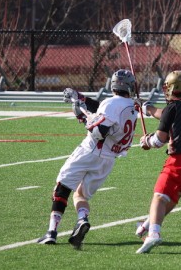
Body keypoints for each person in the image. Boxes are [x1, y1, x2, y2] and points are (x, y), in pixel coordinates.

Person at [37, 69, 138, 248]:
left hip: (90, 151)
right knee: (81, 194)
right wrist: (81, 99)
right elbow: (103, 110)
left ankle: (51, 232)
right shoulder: (130, 107)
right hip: (108, 159)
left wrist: (82, 117)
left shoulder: (111, 103)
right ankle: (82, 219)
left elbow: (99, 131)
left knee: (62, 188)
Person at [135, 70, 181, 254]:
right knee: (172, 196)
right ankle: (148, 223)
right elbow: (168, 115)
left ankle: (153, 234)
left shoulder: (172, 108)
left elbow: (160, 140)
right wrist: (148, 109)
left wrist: (147, 141)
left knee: (160, 196)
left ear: (170, 88)